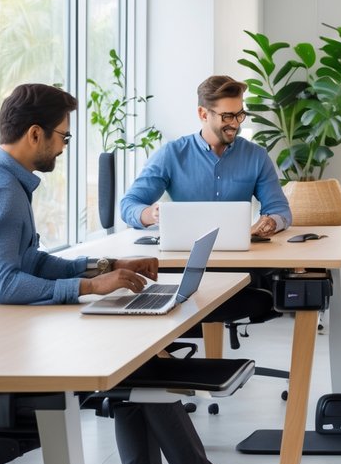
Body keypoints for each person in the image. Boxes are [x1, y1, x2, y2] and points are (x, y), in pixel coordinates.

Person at [0, 84, 278, 464]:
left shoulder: (3, 182)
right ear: (35, 134)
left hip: (8, 334)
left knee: (137, 371)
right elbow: (3, 286)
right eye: (62, 136)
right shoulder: (0, 191)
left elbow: (30, 265)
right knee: (141, 371)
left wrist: (103, 270)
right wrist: (90, 287)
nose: (63, 145)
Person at [120, 75, 291, 325]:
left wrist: (272, 222)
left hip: (238, 268)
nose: (235, 124)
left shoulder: (256, 156)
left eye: (239, 115)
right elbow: (129, 205)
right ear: (203, 113)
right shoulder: (172, 154)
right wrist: (151, 214)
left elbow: (280, 209)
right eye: (226, 117)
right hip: (182, 267)